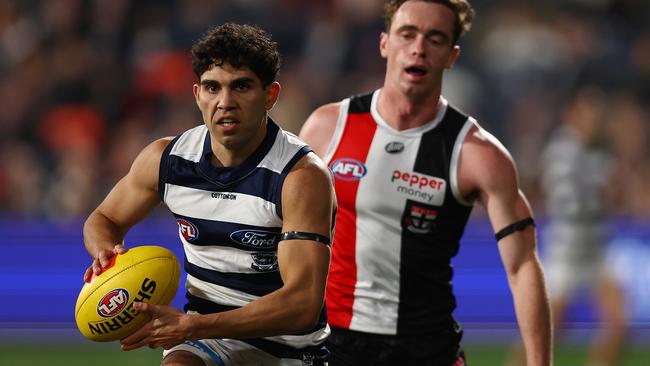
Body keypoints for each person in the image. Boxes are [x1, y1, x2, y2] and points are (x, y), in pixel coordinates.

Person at [299, 1, 552, 365]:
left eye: (435, 39)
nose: (418, 48)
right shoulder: (328, 128)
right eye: (408, 34)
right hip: (334, 346)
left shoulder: (477, 153)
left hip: (427, 349)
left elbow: (522, 265)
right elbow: (289, 235)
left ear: (451, 56)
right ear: (384, 43)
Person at [82, 23, 336, 366]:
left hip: (290, 349)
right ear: (197, 94)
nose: (225, 102)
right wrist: (106, 254)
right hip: (206, 342)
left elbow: (302, 305)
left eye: (241, 86)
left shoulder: (300, 177)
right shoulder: (166, 160)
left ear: (270, 95)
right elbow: (105, 218)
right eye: (213, 87)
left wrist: (194, 326)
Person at [538, 85, 626, 366]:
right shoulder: (561, 152)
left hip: (596, 252)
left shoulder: (600, 150)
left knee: (617, 324)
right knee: (547, 336)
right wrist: (602, 196)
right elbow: (568, 204)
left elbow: (615, 194)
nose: (596, 117)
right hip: (566, 253)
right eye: (590, 110)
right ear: (573, 113)